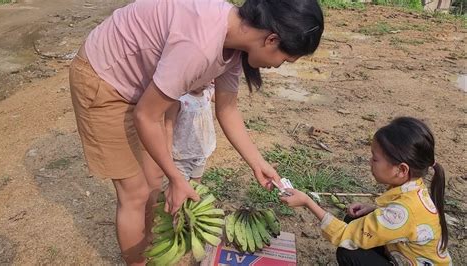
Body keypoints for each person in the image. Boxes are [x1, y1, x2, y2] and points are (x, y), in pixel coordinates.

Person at [69, 0, 324, 264]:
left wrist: (258, 163)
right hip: (104, 79)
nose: (279, 66)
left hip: (141, 86)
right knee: (135, 193)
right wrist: (177, 178)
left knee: (154, 180)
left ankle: (151, 245)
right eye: (286, 59)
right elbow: (146, 116)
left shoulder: (234, 43)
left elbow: (227, 110)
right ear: (271, 39)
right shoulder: (200, 45)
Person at [280, 117, 451, 265]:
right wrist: (375, 210)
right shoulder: (414, 188)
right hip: (407, 255)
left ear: (401, 170)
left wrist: (307, 202)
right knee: (355, 219)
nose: (370, 162)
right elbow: (402, 218)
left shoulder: (404, 211)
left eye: (375, 158)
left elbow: (343, 235)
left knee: (349, 253)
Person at [163, 82, 216, 187]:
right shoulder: (180, 99)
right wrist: (167, 153)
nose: (203, 82)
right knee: (180, 186)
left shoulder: (208, 92)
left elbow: (225, 97)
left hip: (201, 151)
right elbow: (168, 126)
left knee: (196, 185)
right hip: (181, 155)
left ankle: (191, 203)